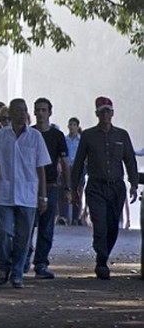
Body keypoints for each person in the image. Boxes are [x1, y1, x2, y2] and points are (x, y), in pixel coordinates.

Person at [71, 96, 139, 279]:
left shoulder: (122, 135)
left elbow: (130, 161)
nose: (105, 115)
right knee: (100, 224)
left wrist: (134, 184)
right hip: (96, 187)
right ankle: (101, 261)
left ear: (113, 113)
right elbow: (78, 164)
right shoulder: (88, 136)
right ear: (97, 114)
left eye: (108, 111)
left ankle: (103, 255)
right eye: (102, 112)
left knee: (112, 226)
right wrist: (73, 189)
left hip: (116, 187)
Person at [0, 98, 50, 289]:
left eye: (24, 110)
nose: (22, 114)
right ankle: (4, 266)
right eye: (18, 111)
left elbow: (41, 169)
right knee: (4, 232)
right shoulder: (0, 136)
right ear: (10, 114)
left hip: (28, 195)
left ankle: (17, 273)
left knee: (24, 237)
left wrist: (43, 196)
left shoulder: (35, 137)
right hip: (5, 193)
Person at [31, 97, 69, 279]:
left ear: (50, 113)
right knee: (26, 225)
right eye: (37, 110)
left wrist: (68, 188)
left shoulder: (57, 136)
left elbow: (64, 161)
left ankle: (40, 263)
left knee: (46, 228)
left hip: (51, 185)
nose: (40, 113)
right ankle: (22, 259)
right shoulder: (28, 134)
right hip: (29, 186)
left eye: (43, 110)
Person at [64, 117, 83, 225]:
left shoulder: (80, 140)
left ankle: (76, 217)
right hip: (67, 166)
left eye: (74, 125)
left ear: (77, 126)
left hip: (78, 167)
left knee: (77, 192)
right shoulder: (65, 139)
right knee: (66, 190)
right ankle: (64, 216)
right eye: (70, 125)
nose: (72, 127)